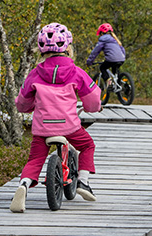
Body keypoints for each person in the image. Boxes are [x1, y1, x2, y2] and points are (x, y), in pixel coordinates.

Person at [10, 22, 102, 213]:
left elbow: (22, 103)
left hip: (43, 128)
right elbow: (93, 98)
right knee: (87, 145)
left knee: (35, 159)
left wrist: (27, 109)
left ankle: (23, 186)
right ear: (68, 47)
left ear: (41, 49)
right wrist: (91, 107)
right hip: (69, 126)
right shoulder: (77, 72)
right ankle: (83, 183)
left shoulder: (35, 74)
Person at [86, 23, 126, 88]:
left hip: (111, 59)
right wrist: (123, 57)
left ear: (101, 33)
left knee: (102, 67)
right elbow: (122, 49)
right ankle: (119, 85)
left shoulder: (102, 40)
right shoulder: (115, 40)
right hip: (121, 58)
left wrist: (89, 61)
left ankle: (108, 81)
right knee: (115, 70)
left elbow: (95, 52)